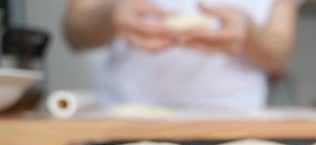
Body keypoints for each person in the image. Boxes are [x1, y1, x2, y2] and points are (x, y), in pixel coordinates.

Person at [63, 0, 301, 110]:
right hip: (124, 118)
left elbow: (278, 55)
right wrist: (112, 13)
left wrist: (249, 34)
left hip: (235, 123)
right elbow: (75, 33)